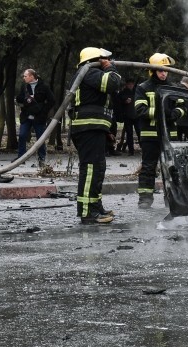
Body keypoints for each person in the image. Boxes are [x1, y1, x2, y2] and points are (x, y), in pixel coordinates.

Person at [69, 47, 122, 225]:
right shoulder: (89, 72)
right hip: (88, 129)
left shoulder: (90, 75)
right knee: (91, 169)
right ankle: (87, 212)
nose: (108, 61)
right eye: (104, 59)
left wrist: (107, 130)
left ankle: (95, 206)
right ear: (95, 60)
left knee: (98, 168)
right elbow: (113, 83)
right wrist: (111, 68)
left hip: (94, 128)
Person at [134, 53, 185, 209]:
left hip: (170, 136)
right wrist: (160, 113)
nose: (164, 73)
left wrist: (176, 113)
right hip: (150, 135)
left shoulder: (173, 88)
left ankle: (172, 199)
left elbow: (183, 107)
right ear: (152, 71)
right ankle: (145, 198)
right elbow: (139, 109)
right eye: (160, 70)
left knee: (172, 168)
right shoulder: (143, 88)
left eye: (166, 70)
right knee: (148, 167)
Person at [15, 68, 56, 164]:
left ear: (31, 76)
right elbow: (19, 98)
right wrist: (26, 99)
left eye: (25, 76)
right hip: (26, 116)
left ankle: (42, 159)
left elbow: (52, 100)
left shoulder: (44, 87)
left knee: (40, 138)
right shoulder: (24, 87)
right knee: (22, 135)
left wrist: (44, 111)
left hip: (39, 117)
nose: (24, 78)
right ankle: (21, 158)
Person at [116, 78, 138, 154]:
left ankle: (143, 148)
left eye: (132, 84)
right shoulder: (122, 93)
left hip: (136, 115)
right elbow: (118, 102)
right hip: (127, 116)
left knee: (139, 132)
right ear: (126, 85)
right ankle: (131, 151)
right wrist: (124, 101)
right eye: (129, 84)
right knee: (129, 134)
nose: (131, 86)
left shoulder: (137, 92)